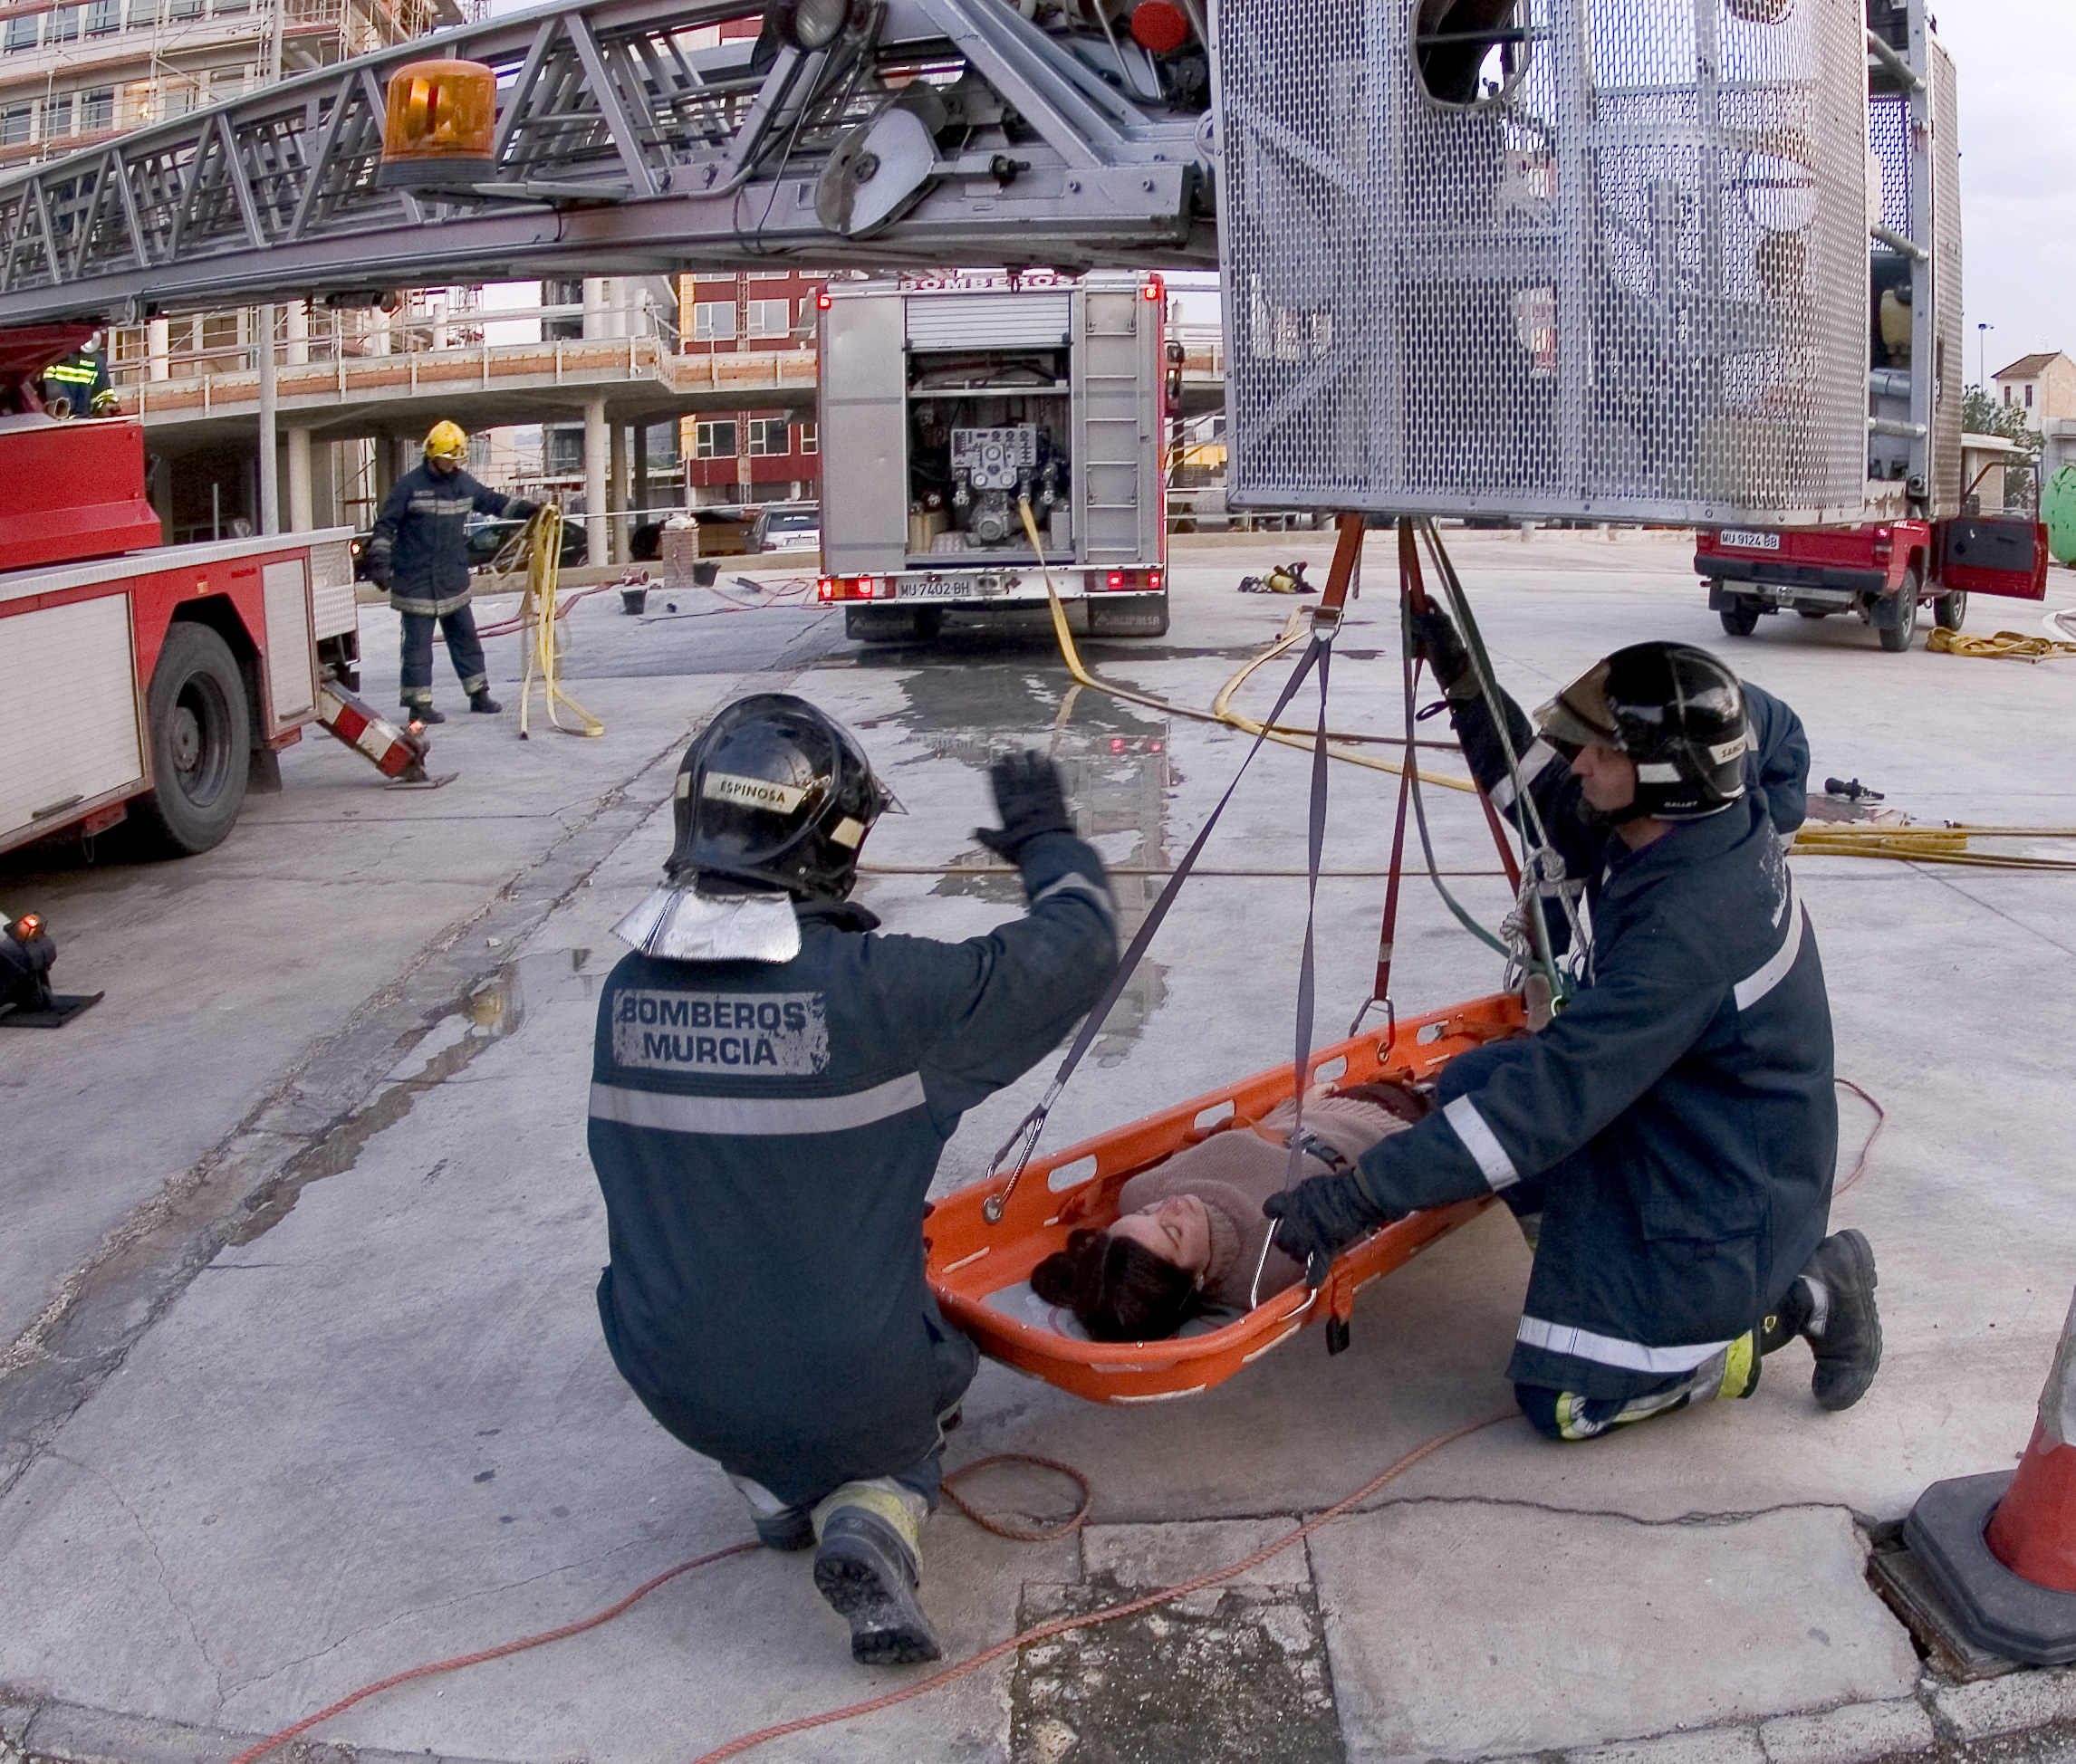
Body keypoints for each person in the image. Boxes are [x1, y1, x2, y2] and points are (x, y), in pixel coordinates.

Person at [586, 697, 1118, 1664]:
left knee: (724, 1314)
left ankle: (770, 1484)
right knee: (934, 1369)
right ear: (832, 843)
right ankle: (876, 1509)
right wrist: (1046, 839)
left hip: (667, 1376)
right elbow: (1077, 946)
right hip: (848, 1381)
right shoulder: (885, 993)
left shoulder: (625, 996)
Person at [1264, 627, 1879, 1442]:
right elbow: (1552, 796)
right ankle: (1598, 1269)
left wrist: (1356, 1196)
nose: (1580, 763)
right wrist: (1468, 683)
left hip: (1731, 1193)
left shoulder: (1690, 929)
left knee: (1560, 1403)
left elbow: (1549, 1104)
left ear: (1664, 776)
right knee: (1469, 1086)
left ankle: (1800, 1297)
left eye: (1600, 751)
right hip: (1693, 1118)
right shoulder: (1707, 790)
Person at [1032, 1081, 1428, 1339]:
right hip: (1406, 1127)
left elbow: (1250, 1139)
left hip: (1327, 1103)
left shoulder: (1142, 1191)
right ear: (1197, 1280)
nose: (1171, 1206)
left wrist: (1299, 1105)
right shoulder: (1274, 1258)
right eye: (1174, 1232)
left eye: (1150, 1213)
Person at [362, 420, 534, 723]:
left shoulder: (463, 483)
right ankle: (419, 705)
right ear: (432, 455)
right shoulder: (408, 487)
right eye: (448, 460)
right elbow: (385, 526)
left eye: (457, 461)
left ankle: (478, 694)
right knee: (416, 646)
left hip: (452, 579)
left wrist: (532, 510)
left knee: (466, 638)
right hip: (415, 582)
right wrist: (379, 561)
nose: (453, 466)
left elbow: (495, 503)